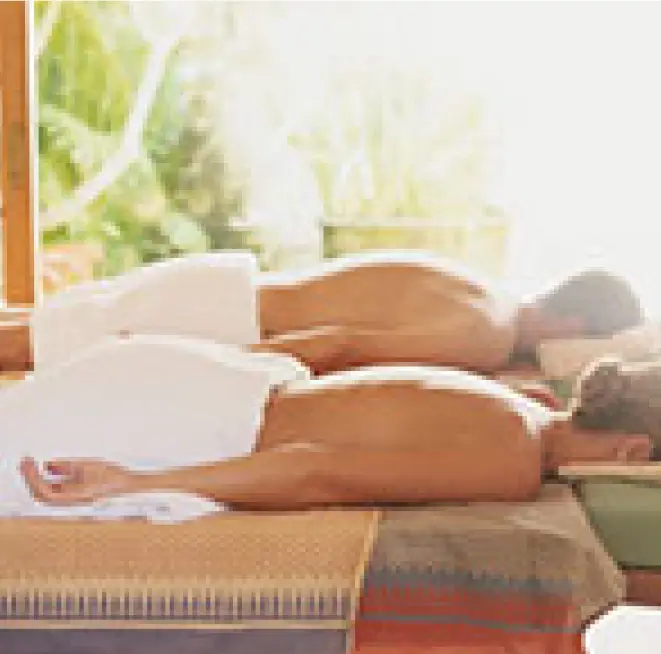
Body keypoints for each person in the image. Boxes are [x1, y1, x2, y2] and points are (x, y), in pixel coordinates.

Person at [10, 336, 651, 513]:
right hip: (179, 420)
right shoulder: (511, 459)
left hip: (198, 375)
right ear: (631, 452)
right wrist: (135, 482)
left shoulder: (527, 402)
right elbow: (314, 469)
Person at [0, 251, 644, 376]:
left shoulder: (480, 281)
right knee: (27, 349)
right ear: (575, 331)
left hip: (227, 281)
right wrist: (206, 366)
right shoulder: (485, 336)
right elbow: (338, 344)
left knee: (30, 330)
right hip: (225, 323)